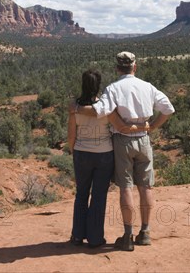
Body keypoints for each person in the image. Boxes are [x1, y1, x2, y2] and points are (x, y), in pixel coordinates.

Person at [71, 52, 174, 251]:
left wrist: (75, 107)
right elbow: (168, 109)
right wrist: (151, 127)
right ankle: (145, 232)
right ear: (135, 67)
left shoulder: (113, 88)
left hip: (121, 141)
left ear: (118, 68)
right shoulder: (148, 87)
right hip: (144, 140)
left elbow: (98, 111)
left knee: (126, 187)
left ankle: (127, 236)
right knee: (146, 187)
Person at [68, 68, 149, 248]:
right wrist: (142, 126)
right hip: (104, 155)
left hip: (82, 153)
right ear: (98, 86)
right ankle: (95, 239)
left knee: (81, 194)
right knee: (99, 196)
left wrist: (75, 151)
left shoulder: (74, 107)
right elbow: (121, 127)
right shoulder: (106, 107)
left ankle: (77, 236)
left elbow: (71, 135)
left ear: (83, 84)